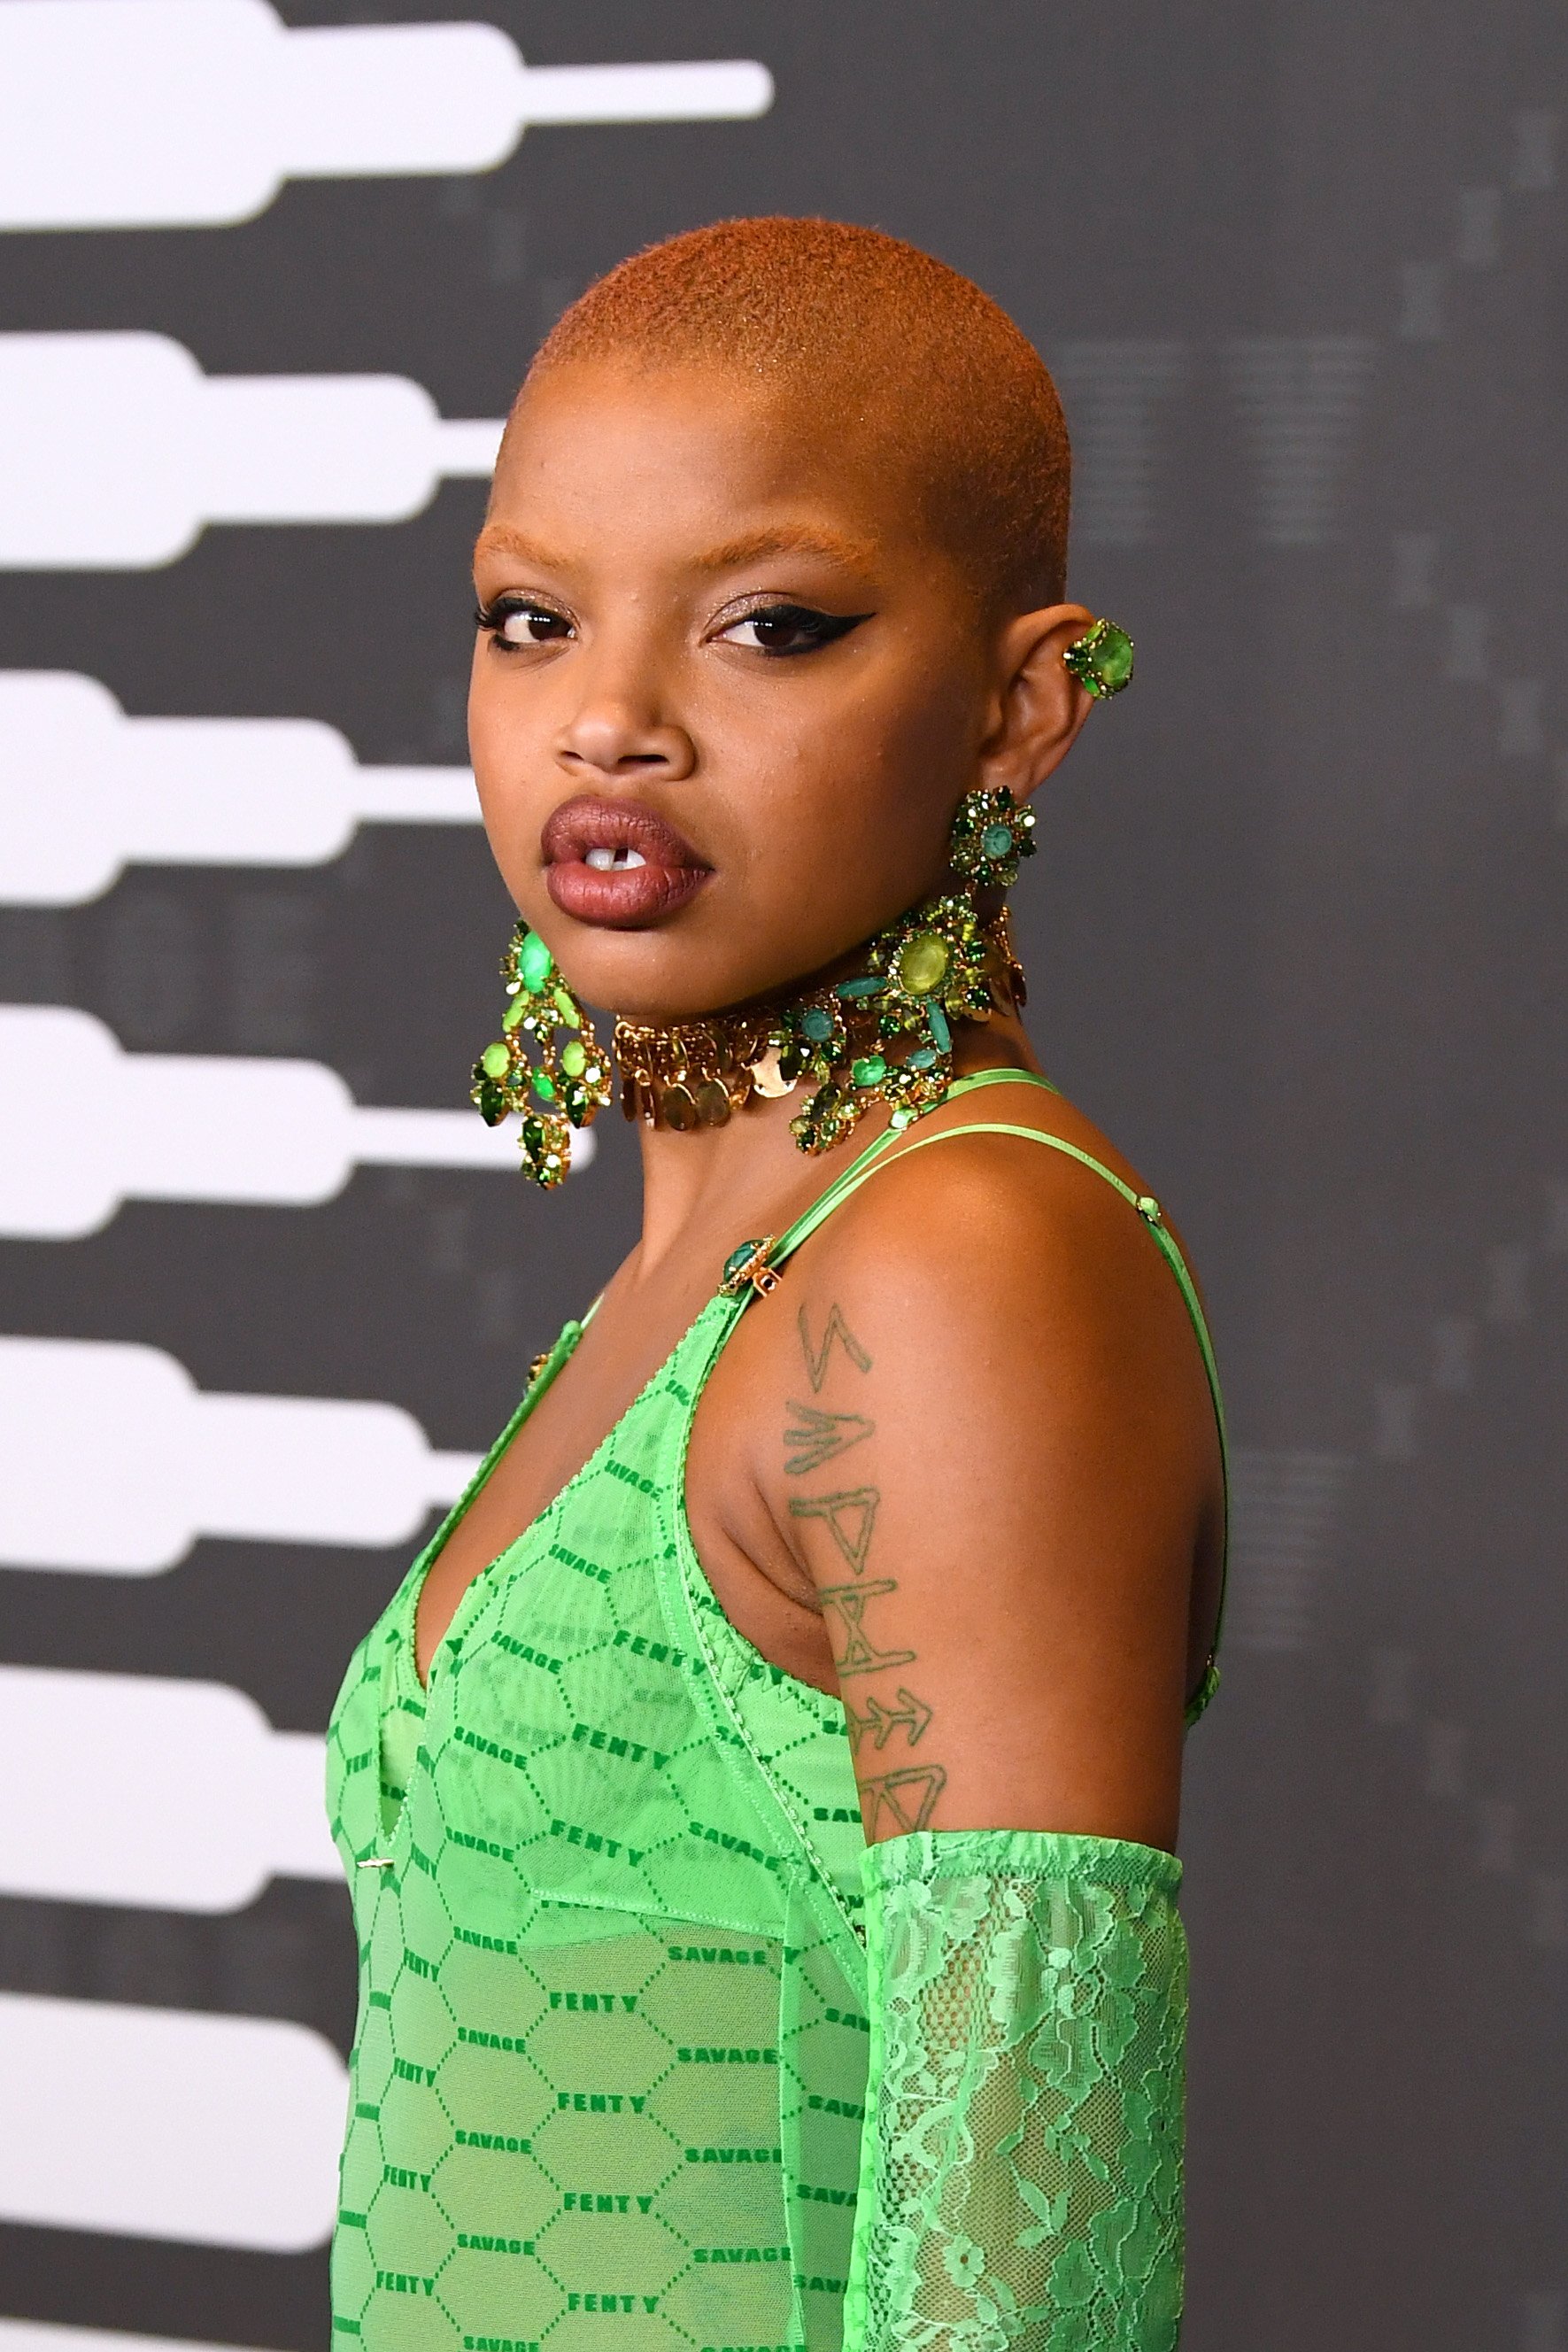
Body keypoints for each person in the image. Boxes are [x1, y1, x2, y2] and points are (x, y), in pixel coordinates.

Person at [327, 216, 1226, 2352]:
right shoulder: (705, 1267)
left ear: (1017, 705)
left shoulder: (957, 1260)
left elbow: (1028, 2278)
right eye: (529, 619)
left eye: (770, 625)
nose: (610, 724)